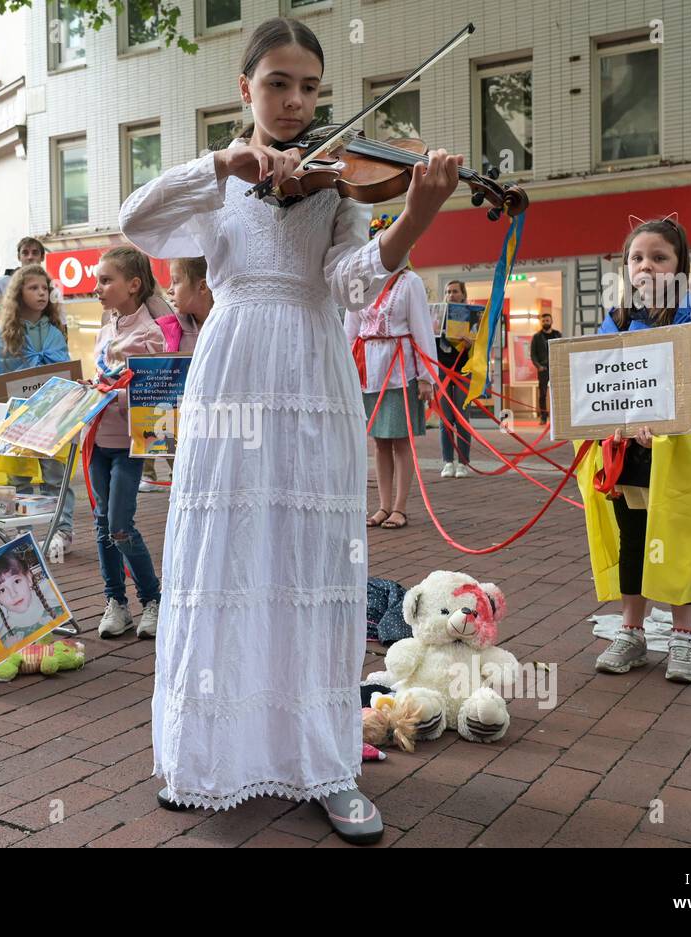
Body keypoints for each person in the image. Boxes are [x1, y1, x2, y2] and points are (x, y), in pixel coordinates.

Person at [119, 15, 461, 843]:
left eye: (311, 87)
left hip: (311, 371)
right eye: (279, 83)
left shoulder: (339, 192)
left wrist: (414, 216)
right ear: (245, 89)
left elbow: (350, 283)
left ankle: (326, 763)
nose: (298, 101)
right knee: (226, 553)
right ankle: (206, 758)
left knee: (312, 559)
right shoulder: (220, 186)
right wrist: (220, 161)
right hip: (233, 368)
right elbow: (138, 221)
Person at [578, 218, 691, 685]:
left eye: (659, 257)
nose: (647, 266)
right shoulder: (617, 318)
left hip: (677, 452)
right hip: (627, 453)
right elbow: (599, 381)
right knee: (633, 537)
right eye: (637, 258)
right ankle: (632, 631)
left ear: (679, 266)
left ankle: (683, 637)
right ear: (625, 267)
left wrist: (664, 422)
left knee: (677, 537)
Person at [90, 246, 167, 641]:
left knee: (120, 525)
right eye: (98, 280)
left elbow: (155, 400)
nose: (98, 288)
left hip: (128, 446)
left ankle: (153, 598)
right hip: (97, 442)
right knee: (102, 525)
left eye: (106, 280)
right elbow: (101, 379)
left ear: (133, 285)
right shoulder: (106, 329)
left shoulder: (150, 336)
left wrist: (113, 395)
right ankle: (116, 602)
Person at [0, 263, 76, 561]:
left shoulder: (55, 331)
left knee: (55, 474)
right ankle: (21, 530)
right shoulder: (7, 333)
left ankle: (62, 529)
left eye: (45, 288)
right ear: (18, 293)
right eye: (33, 288)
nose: (41, 293)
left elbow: (65, 368)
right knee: (18, 477)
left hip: (50, 414)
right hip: (19, 416)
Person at [345, 218, 437, 531]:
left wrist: (426, 375)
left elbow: (422, 329)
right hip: (369, 369)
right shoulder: (362, 282)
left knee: (400, 440)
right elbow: (350, 329)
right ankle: (383, 506)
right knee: (379, 441)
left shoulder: (410, 282)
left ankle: (399, 507)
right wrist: (343, 371)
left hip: (400, 369)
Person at [141, 256, 216, 491]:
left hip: (226, 427)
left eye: (176, 281)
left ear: (202, 286)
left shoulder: (231, 327)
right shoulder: (169, 330)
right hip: (185, 431)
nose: (169, 290)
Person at [436, 280, 474, 477]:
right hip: (442, 371)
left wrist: (471, 345)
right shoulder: (437, 315)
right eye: (447, 292)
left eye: (455, 291)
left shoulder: (471, 316)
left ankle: (463, 463)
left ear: (463, 294)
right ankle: (448, 462)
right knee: (445, 418)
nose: (451, 295)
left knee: (462, 417)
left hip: (463, 370)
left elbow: (481, 346)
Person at [0, 237, 46, 340]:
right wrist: (6, 345)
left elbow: (59, 323)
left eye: (35, 253)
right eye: (25, 253)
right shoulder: (3, 283)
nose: (30, 257)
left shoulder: (50, 285)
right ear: (19, 257)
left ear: (42, 257)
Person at [529, 311, 561, 425]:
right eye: (543, 321)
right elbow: (533, 354)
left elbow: (562, 350)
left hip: (556, 368)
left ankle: (558, 417)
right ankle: (543, 417)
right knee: (542, 394)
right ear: (541, 322)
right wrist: (539, 366)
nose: (545, 322)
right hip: (543, 369)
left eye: (547, 320)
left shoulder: (558, 335)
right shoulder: (536, 337)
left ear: (551, 321)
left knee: (558, 393)